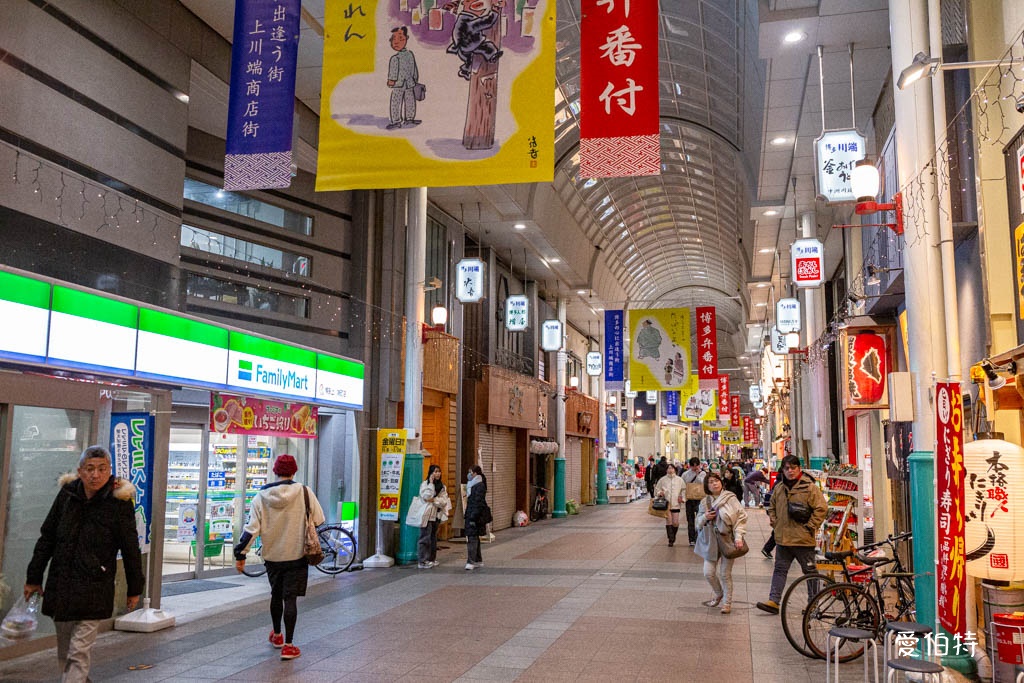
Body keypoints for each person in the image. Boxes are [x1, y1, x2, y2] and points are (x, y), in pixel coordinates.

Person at [25, 445, 144, 683]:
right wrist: (34, 577)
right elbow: (47, 536)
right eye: (90, 469)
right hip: (62, 585)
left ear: (110, 470)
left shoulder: (118, 502)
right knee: (65, 651)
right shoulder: (68, 495)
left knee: (78, 652)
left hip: (94, 587)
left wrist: (134, 589)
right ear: (80, 471)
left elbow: (131, 548)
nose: (95, 475)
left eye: (102, 469)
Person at [234, 454, 325, 661]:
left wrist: (240, 554)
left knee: (276, 595)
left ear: (275, 472)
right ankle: (289, 645)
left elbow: (251, 530)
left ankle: (276, 635)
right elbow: (319, 519)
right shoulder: (304, 492)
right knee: (290, 598)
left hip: (273, 556)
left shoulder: (261, 496)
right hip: (297, 554)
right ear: (294, 471)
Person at [756, 455, 827, 614]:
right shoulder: (780, 488)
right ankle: (774, 601)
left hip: (803, 541)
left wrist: (810, 526)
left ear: (799, 469)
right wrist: (774, 521)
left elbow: (821, 508)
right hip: (783, 540)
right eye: (786, 468)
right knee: (780, 570)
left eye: (793, 468)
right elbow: (772, 505)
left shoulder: (809, 487)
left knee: (810, 573)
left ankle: (813, 604)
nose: (790, 471)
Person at [694, 472, 747, 614]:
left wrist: (739, 537)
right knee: (708, 572)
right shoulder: (705, 502)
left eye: (716, 481)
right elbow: (697, 524)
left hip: (728, 539)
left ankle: (727, 603)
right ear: (707, 486)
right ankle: (718, 593)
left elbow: (740, 518)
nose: (714, 484)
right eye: (710, 482)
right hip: (711, 541)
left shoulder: (730, 498)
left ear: (721, 483)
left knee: (725, 574)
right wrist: (705, 517)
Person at [406, 464, 451, 568]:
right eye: (435, 471)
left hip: (436, 515)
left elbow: (444, 501)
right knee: (424, 537)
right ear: (430, 473)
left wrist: (434, 500)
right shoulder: (425, 484)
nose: (437, 474)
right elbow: (426, 496)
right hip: (426, 515)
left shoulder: (442, 487)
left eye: (439, 471)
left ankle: (431, 559)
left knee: (433, 538)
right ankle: (422, 561)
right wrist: (431, 484)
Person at [386, 26, 420, 129]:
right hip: (400, 84)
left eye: (400, 39)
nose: (396, 42)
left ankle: (408, 119)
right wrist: (392, 80)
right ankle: (397, 120)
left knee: (408, 100)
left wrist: (415, 78)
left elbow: (414, 68)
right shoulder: (395, 58)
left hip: (407, 83)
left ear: (406, 38)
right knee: (398, 101)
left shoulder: (409, 55)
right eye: (394, 39)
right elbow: (393, 72)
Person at [464, 465, 491, 570]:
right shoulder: (474, 484)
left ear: (475, 473)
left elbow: (478, 502)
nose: (469, 474)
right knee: (474, 538)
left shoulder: (479, 486)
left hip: (474, 515)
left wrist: (472, 516)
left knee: (472, 538)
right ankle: (478, 560)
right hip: (473, 514)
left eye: (470, 472)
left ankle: (471, 561)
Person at [653, 463, 685, 546]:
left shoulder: (679, 480)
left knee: (675, 522)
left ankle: (673, 536)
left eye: (672, 468)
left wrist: (682, 497)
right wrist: (660, 493)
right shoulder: (662, 480)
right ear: (666, 470)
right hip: (665, 504)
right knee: (669, 521)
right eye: (668, 468)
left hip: (676, 503)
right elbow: (657, 489)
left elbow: (684, 490)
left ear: (675, 469)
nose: (670, 470)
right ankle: (670, 540)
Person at [681, 458, 706, 545]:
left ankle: (699, 537)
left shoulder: (703, 473)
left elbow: (703, 483)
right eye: (693, 466)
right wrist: (683, 497)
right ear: (690, 465)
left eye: (697, 465)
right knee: (690, 519)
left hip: (700, 499)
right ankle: (691, 539)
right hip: (689, 499)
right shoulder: (685, 474)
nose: (695, 467)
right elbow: (683, 485)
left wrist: (698, 474)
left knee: (700, 519)